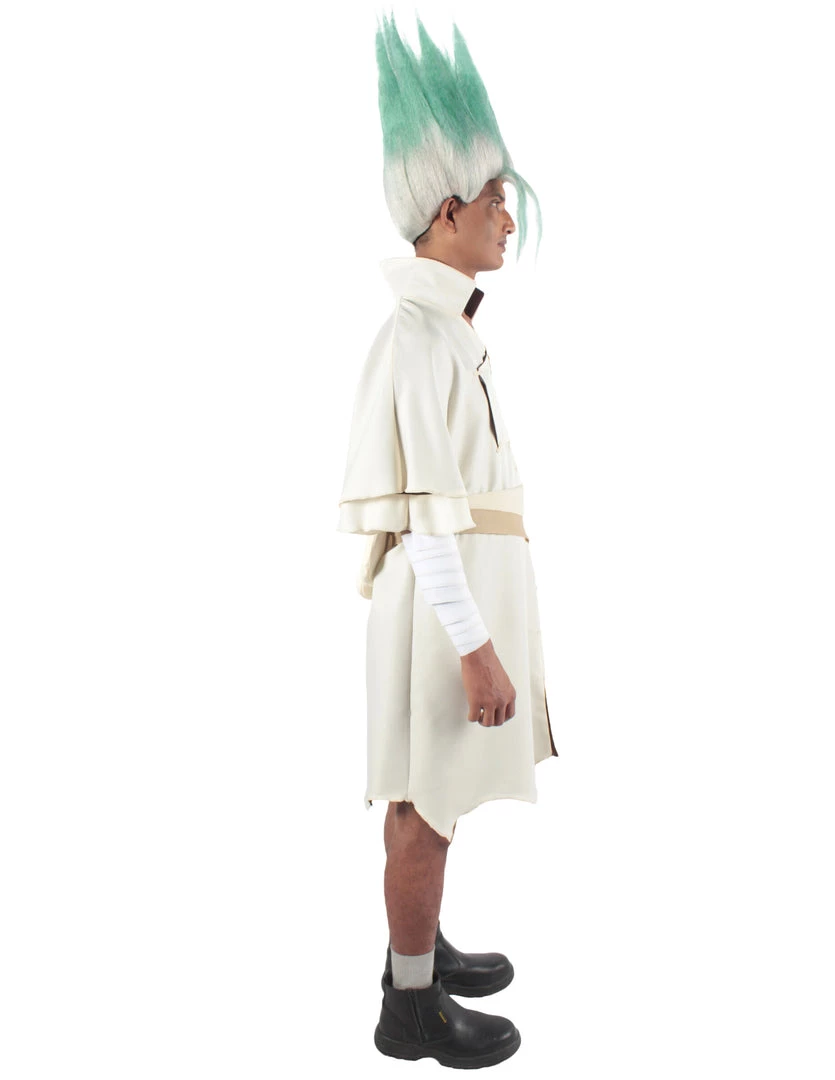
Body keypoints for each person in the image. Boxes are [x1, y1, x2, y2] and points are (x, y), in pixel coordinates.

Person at [336, 14, 558, 1068]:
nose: (507, 218)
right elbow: (428, 517)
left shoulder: (447, 329)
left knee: (438, 794)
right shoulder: (419, 338)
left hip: (456, 602)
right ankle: (411, 1009)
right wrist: (475, 646)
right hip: (442, 612)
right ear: (447, 211)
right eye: (495, 199)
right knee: (423, 807)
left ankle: (415, 951)